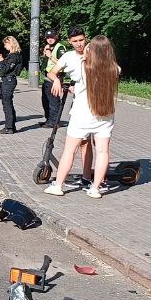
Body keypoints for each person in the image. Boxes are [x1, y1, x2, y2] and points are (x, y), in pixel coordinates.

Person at [44, 30, 121, 199]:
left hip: (82, 115)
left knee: (69, 150)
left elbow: (78, 78)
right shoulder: (115, 69)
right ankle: (95, 189)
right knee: (103, 152)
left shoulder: (83, 66)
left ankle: (58, 185)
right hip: (105, 114)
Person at [0, 35, 24, 133]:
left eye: (6, 44)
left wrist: (1, 61)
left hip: (9, 80)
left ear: (11, 43)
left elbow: (6, 69)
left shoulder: (14, 56)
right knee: (7, 102)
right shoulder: (12, 55)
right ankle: (11, 125)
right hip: (8, 80)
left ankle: (9, 127)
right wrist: (1, 60)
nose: (4, 46)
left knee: (7, 104)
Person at [40, 29, 68, 128]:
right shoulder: (49, 47)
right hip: (47, 77)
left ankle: (54, 122)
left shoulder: (60, 47)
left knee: (54, 101)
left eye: (52, 37)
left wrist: (50, 56)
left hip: (55, 78)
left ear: (56, 37)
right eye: (48, 37)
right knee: (45, 100)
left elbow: (63, 64)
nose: (50, 39)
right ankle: (49, 119)